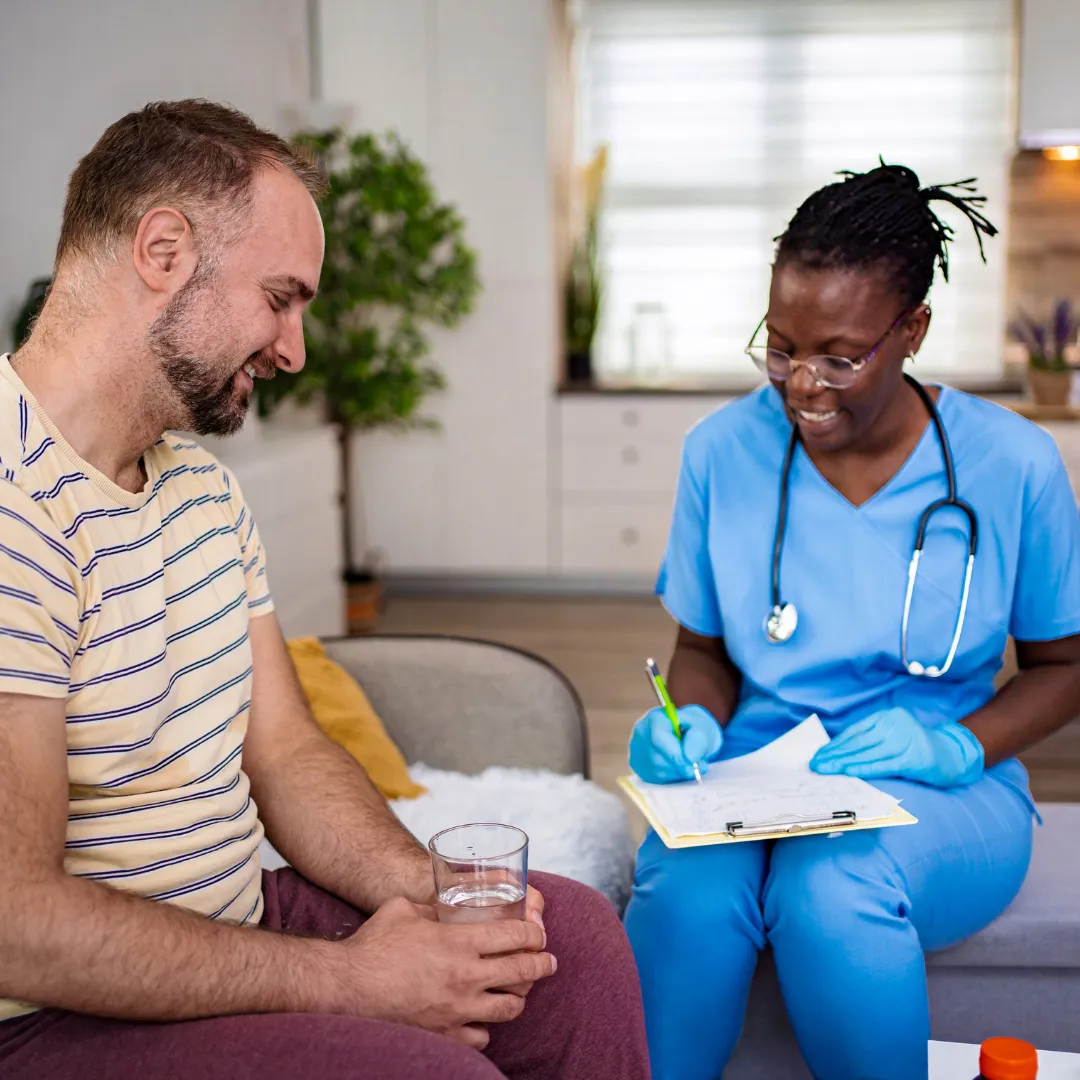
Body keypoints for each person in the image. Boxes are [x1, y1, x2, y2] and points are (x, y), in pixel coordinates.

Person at [0, 100, 650, 1080]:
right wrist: (345, 980)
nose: (293, 349)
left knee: (569, 945)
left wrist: (427, 894)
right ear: (164, 250)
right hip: (54, 1017)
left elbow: (288, 747)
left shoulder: (202, 491)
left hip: (234, 922)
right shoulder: (16, 507)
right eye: (280, 297)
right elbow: (18, 923)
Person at [624, 162, 1080, 1080]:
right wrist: (688, 719)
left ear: (911, 330)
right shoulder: (721, 450)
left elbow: (1064, 665)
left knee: (833, 883)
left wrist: (954, 746)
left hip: (949, 780)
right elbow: (703, 647)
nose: (801, 384)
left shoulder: (1013, 464)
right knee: (683, 893)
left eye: (840, 355)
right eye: (780, 346)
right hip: (749, 772)